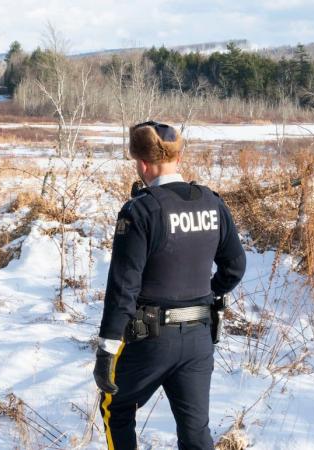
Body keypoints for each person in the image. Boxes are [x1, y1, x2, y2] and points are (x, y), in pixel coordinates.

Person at [93, 122, 246, 450]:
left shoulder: (141, 210)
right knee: (195, 433)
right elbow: (235, 267)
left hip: (150, 339)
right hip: (199, 339)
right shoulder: (212, 203)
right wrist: (208, 291)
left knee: (115, 407)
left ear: (143, 164)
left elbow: (124, 286)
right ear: (177, 158)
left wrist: (106, 348)